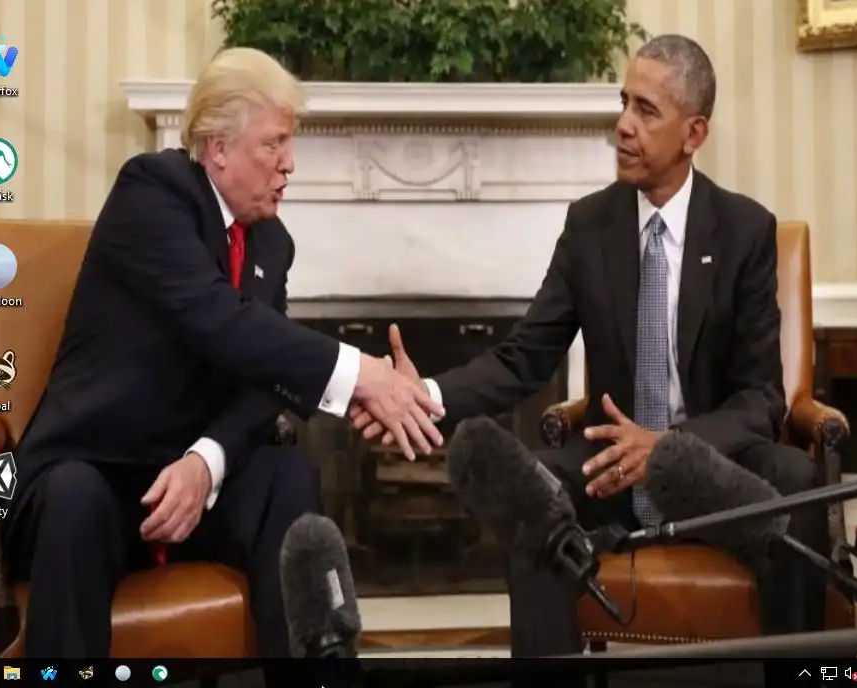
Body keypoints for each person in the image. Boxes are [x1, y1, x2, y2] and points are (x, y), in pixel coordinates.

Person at [352, 35, 829, 659]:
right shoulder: (590, 225)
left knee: (795, 477)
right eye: (623, 103)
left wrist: (670, 449)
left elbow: (761, 399)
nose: (623, 126)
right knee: (531, 490)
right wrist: (426, 395)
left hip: (716, 467)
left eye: (646, 111)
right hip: (611, 472)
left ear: (694, 133)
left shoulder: (744, 230)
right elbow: (524, 357)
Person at [3, 47, 443, 671]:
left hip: (189, 487)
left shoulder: (272, 243)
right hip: (95, 472)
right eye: (274, 144)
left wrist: (205, 463)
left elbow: (265, 381)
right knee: (75, 497)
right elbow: (220, 321)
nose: (290, 163)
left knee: (287, 477)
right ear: (217, 149)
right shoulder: (151, 192)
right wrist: (360, 374)